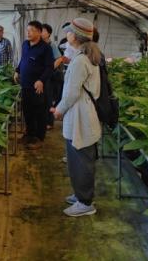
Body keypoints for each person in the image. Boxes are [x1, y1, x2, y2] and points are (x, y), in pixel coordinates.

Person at [52, 18, 101, 217]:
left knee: (80, 160)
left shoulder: (80, 60)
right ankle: (81, 194)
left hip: (80, 114)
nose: (67, 34)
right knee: (80, 158)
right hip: (83, 112)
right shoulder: (86, 56)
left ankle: (85, 202)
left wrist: (59, 110)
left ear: (77, 36)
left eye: (70, 32)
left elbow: (71, 93)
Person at [14, 21, 54, 150]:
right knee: (27, 111)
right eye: (27, 30)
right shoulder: (25, 44)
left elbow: (49, 67)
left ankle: (39, 138)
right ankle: (30, 134)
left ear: (39, 32)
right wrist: (17, 70)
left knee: (39, 113)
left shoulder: (45, 48)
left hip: (38, 87)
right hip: (25, 84)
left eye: (31, 30)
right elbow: (23, 59)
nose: (28, 33)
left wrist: (41, 80)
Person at [41, 24, 66, 130]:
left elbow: (60, 58)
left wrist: (50, 68)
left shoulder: (52, 45)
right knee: (42, 99)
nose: (41, 32)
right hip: (41, 77)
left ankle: (49, 122)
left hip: (50, 77)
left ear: (49, 34)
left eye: (43, 31)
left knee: (49, 99)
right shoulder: (39, 45)